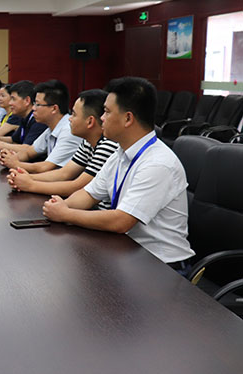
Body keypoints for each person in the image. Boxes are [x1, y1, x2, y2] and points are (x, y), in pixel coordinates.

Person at [42, 77, 194, 269]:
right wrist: (62, 205)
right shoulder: (120, 153)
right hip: (126, 251)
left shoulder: (158, 163)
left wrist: (66, 214)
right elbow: (88, 194)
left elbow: (121, 221)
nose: (101, 118)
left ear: (128, 118)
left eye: (106, 111)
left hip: (161, 265)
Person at [7, 89, 118, 206]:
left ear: (90, 121)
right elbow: (64, 173)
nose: (70, 118)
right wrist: (27, 178)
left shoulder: (108, 145)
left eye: (74, 114)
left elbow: (78, 186)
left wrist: (30, 184)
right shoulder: (87, 142)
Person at [0, 80, 47, 152]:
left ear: (27, 100)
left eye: (13, 99)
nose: (10, 103)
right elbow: (14, 140)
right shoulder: (24, 117)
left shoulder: (38, 120)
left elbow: (28, 149)